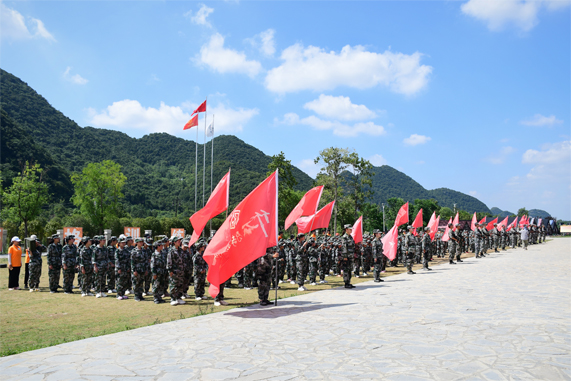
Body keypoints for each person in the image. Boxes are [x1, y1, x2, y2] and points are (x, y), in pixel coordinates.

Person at [167, 236, 186, 306]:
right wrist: (170, 270)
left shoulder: (181, 250)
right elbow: (169, 261)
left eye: (180, 241)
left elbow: (183, 260)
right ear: (174, 242)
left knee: (180, 284)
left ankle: (179, 298)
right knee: (173, 285)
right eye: (178, 241)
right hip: (174, 271)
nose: (179, 242)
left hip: (181, 271)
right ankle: (173, 299)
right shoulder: (171, 251)